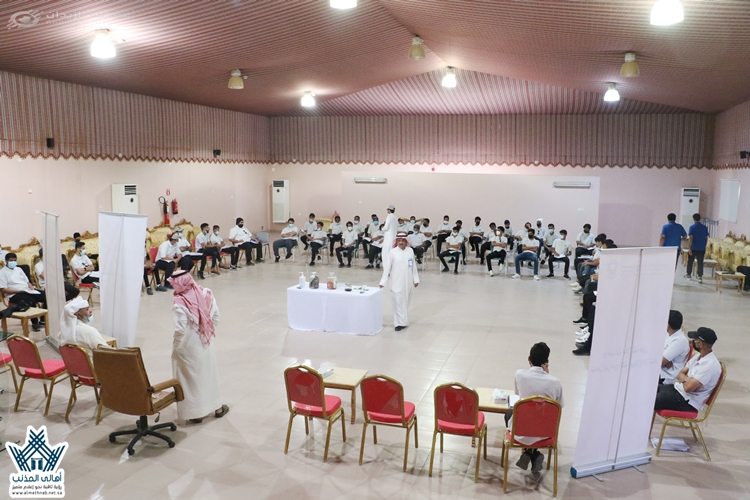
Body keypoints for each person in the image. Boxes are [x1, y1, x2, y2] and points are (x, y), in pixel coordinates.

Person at [169, 271, 229, 424]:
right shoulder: (206, 293)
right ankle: (217, 407)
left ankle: (197, 414)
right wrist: (206, 332)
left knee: (191, 379)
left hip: (188, 345)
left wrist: (176, 346)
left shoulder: (180, 302)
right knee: (209, 375)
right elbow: (216, 316)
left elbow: (180, 329)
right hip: (205, 342)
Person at [507, 342, 564, 475]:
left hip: (520, 431)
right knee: (539, 420)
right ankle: (534, 453)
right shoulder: (555, 383)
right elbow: (558, 407)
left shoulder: (519, 374)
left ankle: (528, 452)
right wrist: (548, 374)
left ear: (529, 358)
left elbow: (517, 393)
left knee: (508, 414)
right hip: (545, 433)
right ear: (547, 362)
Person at [655, 327, 721, 413]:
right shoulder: (698, 356)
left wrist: (685, 379)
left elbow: (688, 388)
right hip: (678, 389)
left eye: (695, 339)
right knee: (650, 390)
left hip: (687, 401)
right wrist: (688, 380)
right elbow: (680, 374)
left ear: (701, 344)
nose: (693, 341)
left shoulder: (710, 365)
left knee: (650, 400)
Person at [379, 233, 419, 331]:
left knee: (405, 302)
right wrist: (383, 282)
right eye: (399, 240)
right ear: (396, 241)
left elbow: (413, 266)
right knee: (397, 301)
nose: (401, 242)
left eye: (403, 240)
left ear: (406, 241)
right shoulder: (392, 252)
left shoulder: (410, 251)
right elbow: (387, 268)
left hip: (408, 281)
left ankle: (404, 321)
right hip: (396, 281)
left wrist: (415, 279)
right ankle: (398, 323)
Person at [0, 253, 47, 331]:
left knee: (46, 296)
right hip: (14, 294)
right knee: (31, 301)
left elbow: (27, 281)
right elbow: (3, 289)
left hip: (26, 290)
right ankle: (35, 323)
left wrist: (30, 286)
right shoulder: (2, 272)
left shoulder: (18, 269)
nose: (13, 262)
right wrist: (19, 291)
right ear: (6, 261)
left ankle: (42, 320)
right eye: (11, 260)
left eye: (14, 260)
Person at [661, 310, 690, 384]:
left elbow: (660, 361)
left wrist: (662, 359)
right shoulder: (667, 334)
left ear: (668, 325)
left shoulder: (680, 341)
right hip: (661, 370)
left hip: (666, 376)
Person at [685, 213, 709, 283]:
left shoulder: (692, 227)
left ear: (693, 219)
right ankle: (700, 276)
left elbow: (691, 238)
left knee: (690, 261)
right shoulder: (704, 227)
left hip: (694, 247)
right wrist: (704, 246)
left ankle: (689, 274)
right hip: (701, 247)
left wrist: (689, 248)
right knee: (700, 262)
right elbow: (706, 238)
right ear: (700, 218)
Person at [382, 205, 398, 272]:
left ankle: (387, 270)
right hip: (393, 238)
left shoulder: (389, 217)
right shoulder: (395, 218)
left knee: (386, 254)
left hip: (388, 239)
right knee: (392, 254)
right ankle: (392, 270)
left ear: (389, 210)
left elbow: (386, 228)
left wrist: (382, 228)